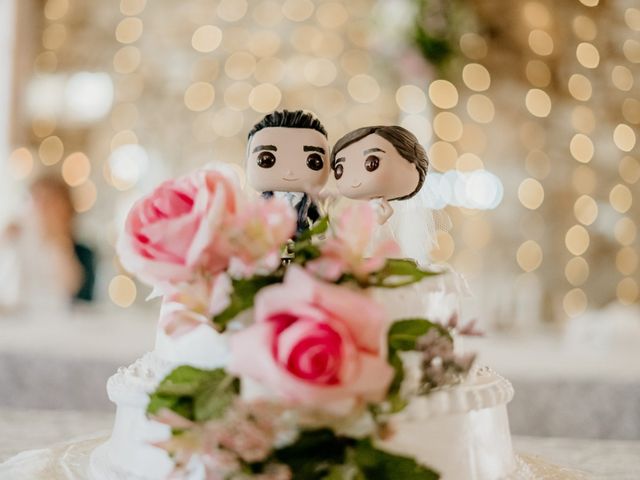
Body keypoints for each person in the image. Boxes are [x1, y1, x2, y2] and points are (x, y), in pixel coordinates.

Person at [0, 175, 95, 309]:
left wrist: (60, 242)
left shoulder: (83, 252)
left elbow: (75, 290)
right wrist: (5, 237)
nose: (43, 209)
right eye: (37, 200)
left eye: (50, 202)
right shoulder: (20, 237)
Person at [246, 109, 330, 237]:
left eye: (313, 161)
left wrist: (322, 231)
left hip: (301, 238)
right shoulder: (263, 200)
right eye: (266, 159)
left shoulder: (308, 200)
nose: (289, 171)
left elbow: (316, 216)